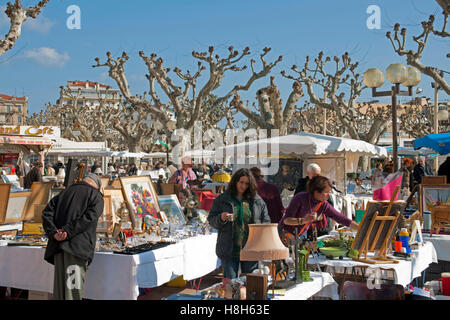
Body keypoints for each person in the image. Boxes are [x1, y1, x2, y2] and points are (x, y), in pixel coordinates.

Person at [41, 173, 104, 300]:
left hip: (59, 247)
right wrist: (66, 232)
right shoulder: (95, 195)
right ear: (96, 186)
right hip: (77, 249)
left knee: (60, 291)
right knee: (72, 291)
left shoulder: (64, 192)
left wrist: (54, 233)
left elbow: (47, 213)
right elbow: (88, 219)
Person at [208, 168, 270, 279]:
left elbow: (266, 221)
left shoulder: (257, 201)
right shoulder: (222, 199)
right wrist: (221, 218)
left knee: (251, 284)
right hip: (229, 250)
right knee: (230, 285)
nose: (243, 186)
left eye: (246, 183)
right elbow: (211, 220)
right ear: (235, 181)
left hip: (251, 249)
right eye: (241, 182)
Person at [279, 175, 359, 244]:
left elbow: (339, 217)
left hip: (300, 235)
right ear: (317, 192)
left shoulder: (322, 203)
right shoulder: (300, 198)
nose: (328, 195)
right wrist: (303, 220)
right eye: (326, 192)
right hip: (285, 234)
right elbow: (286, 220)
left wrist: (359, 228)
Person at [294, 163, 334, 236]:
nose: (316, 178)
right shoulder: (301, 186)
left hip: (323, 224)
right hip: (309, 225)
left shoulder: (323, 183)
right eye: (314, 175)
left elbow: (330, 203)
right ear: (308, 174)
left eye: (318, 175)